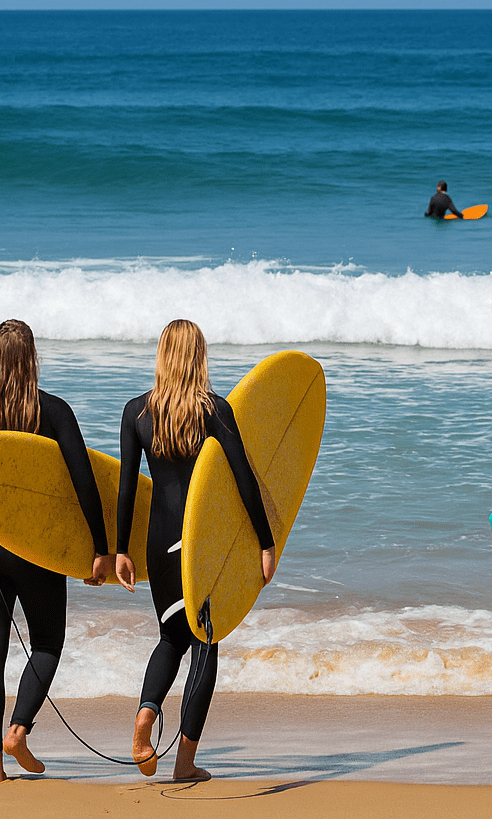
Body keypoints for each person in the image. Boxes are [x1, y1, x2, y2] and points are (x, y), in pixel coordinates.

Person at [0, 320, 110, 784]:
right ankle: (18, 729)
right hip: (36, 547)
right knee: (48, 642)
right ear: (31, 358)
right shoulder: (52, 412)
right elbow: (84, 483)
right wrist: (100, 548)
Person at [115, 320, 276, 782]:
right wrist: (266, 543)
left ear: (163, 355)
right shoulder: (216, 411)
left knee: (169, 639)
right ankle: (184, 763)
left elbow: (128, 489)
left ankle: (146, 716)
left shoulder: (136, 413)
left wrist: (121, 549)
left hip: (158, 543)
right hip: (201, 545)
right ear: (199, 357)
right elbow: (245, 480)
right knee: (206, 644)